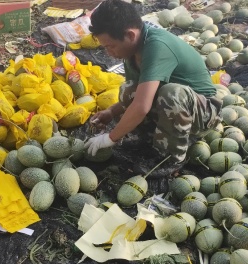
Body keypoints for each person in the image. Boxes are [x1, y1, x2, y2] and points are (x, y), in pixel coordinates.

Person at [84, 0, 222, 177]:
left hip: (203, 113)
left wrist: (111, 137)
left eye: (110, 46)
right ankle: (152, 139)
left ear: (130, 35)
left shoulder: (157, 47)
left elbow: (141, 106)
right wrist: (111, 112)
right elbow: (137, 97)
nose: (109, 53)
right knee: (129, 90)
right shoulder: (131, 52)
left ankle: (172, 159)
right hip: (177, 107)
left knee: (171, 94)